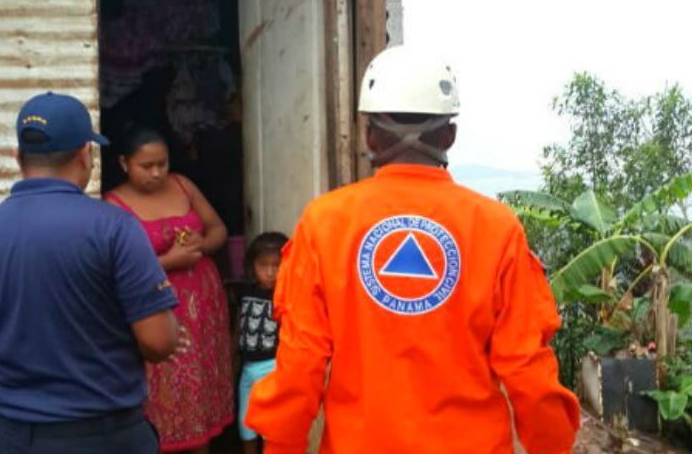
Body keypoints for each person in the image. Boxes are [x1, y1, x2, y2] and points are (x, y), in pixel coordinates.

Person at [245, 45, 581, 454]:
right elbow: (527, 368)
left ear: (369, 134)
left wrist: (282, 448)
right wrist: (553, 445)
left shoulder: (325, 222)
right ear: (449, 135)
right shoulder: (496, 228)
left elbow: (300, 366)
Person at [0, 92, 182, 454]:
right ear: (84, 155)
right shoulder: (116, 229)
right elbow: (159, 342)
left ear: (18, 158)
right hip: (103, 439)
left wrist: (20, 349)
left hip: (6, 439)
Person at [105, 124, 233, 453]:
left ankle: (201, 444)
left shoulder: (183, 185)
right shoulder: (112, 205)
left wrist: (201, 244)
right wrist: (169, 261)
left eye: (162, 163)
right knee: (164, 383)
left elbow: (219, 229)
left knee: (200, 381)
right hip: (158, 308)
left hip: (203, 305)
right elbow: (113, 271)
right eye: (146, 166)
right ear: (123, 163)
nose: (157, 173)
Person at [234, 232, 287, 454]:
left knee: (270, 429)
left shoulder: (285, 296)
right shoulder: (244, 292)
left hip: (273, 368)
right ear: (252, 265)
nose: (270, 272)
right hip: (248, 369)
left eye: (276, 266)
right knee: (245, 425)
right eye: (263, 265)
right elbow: (238, 326)